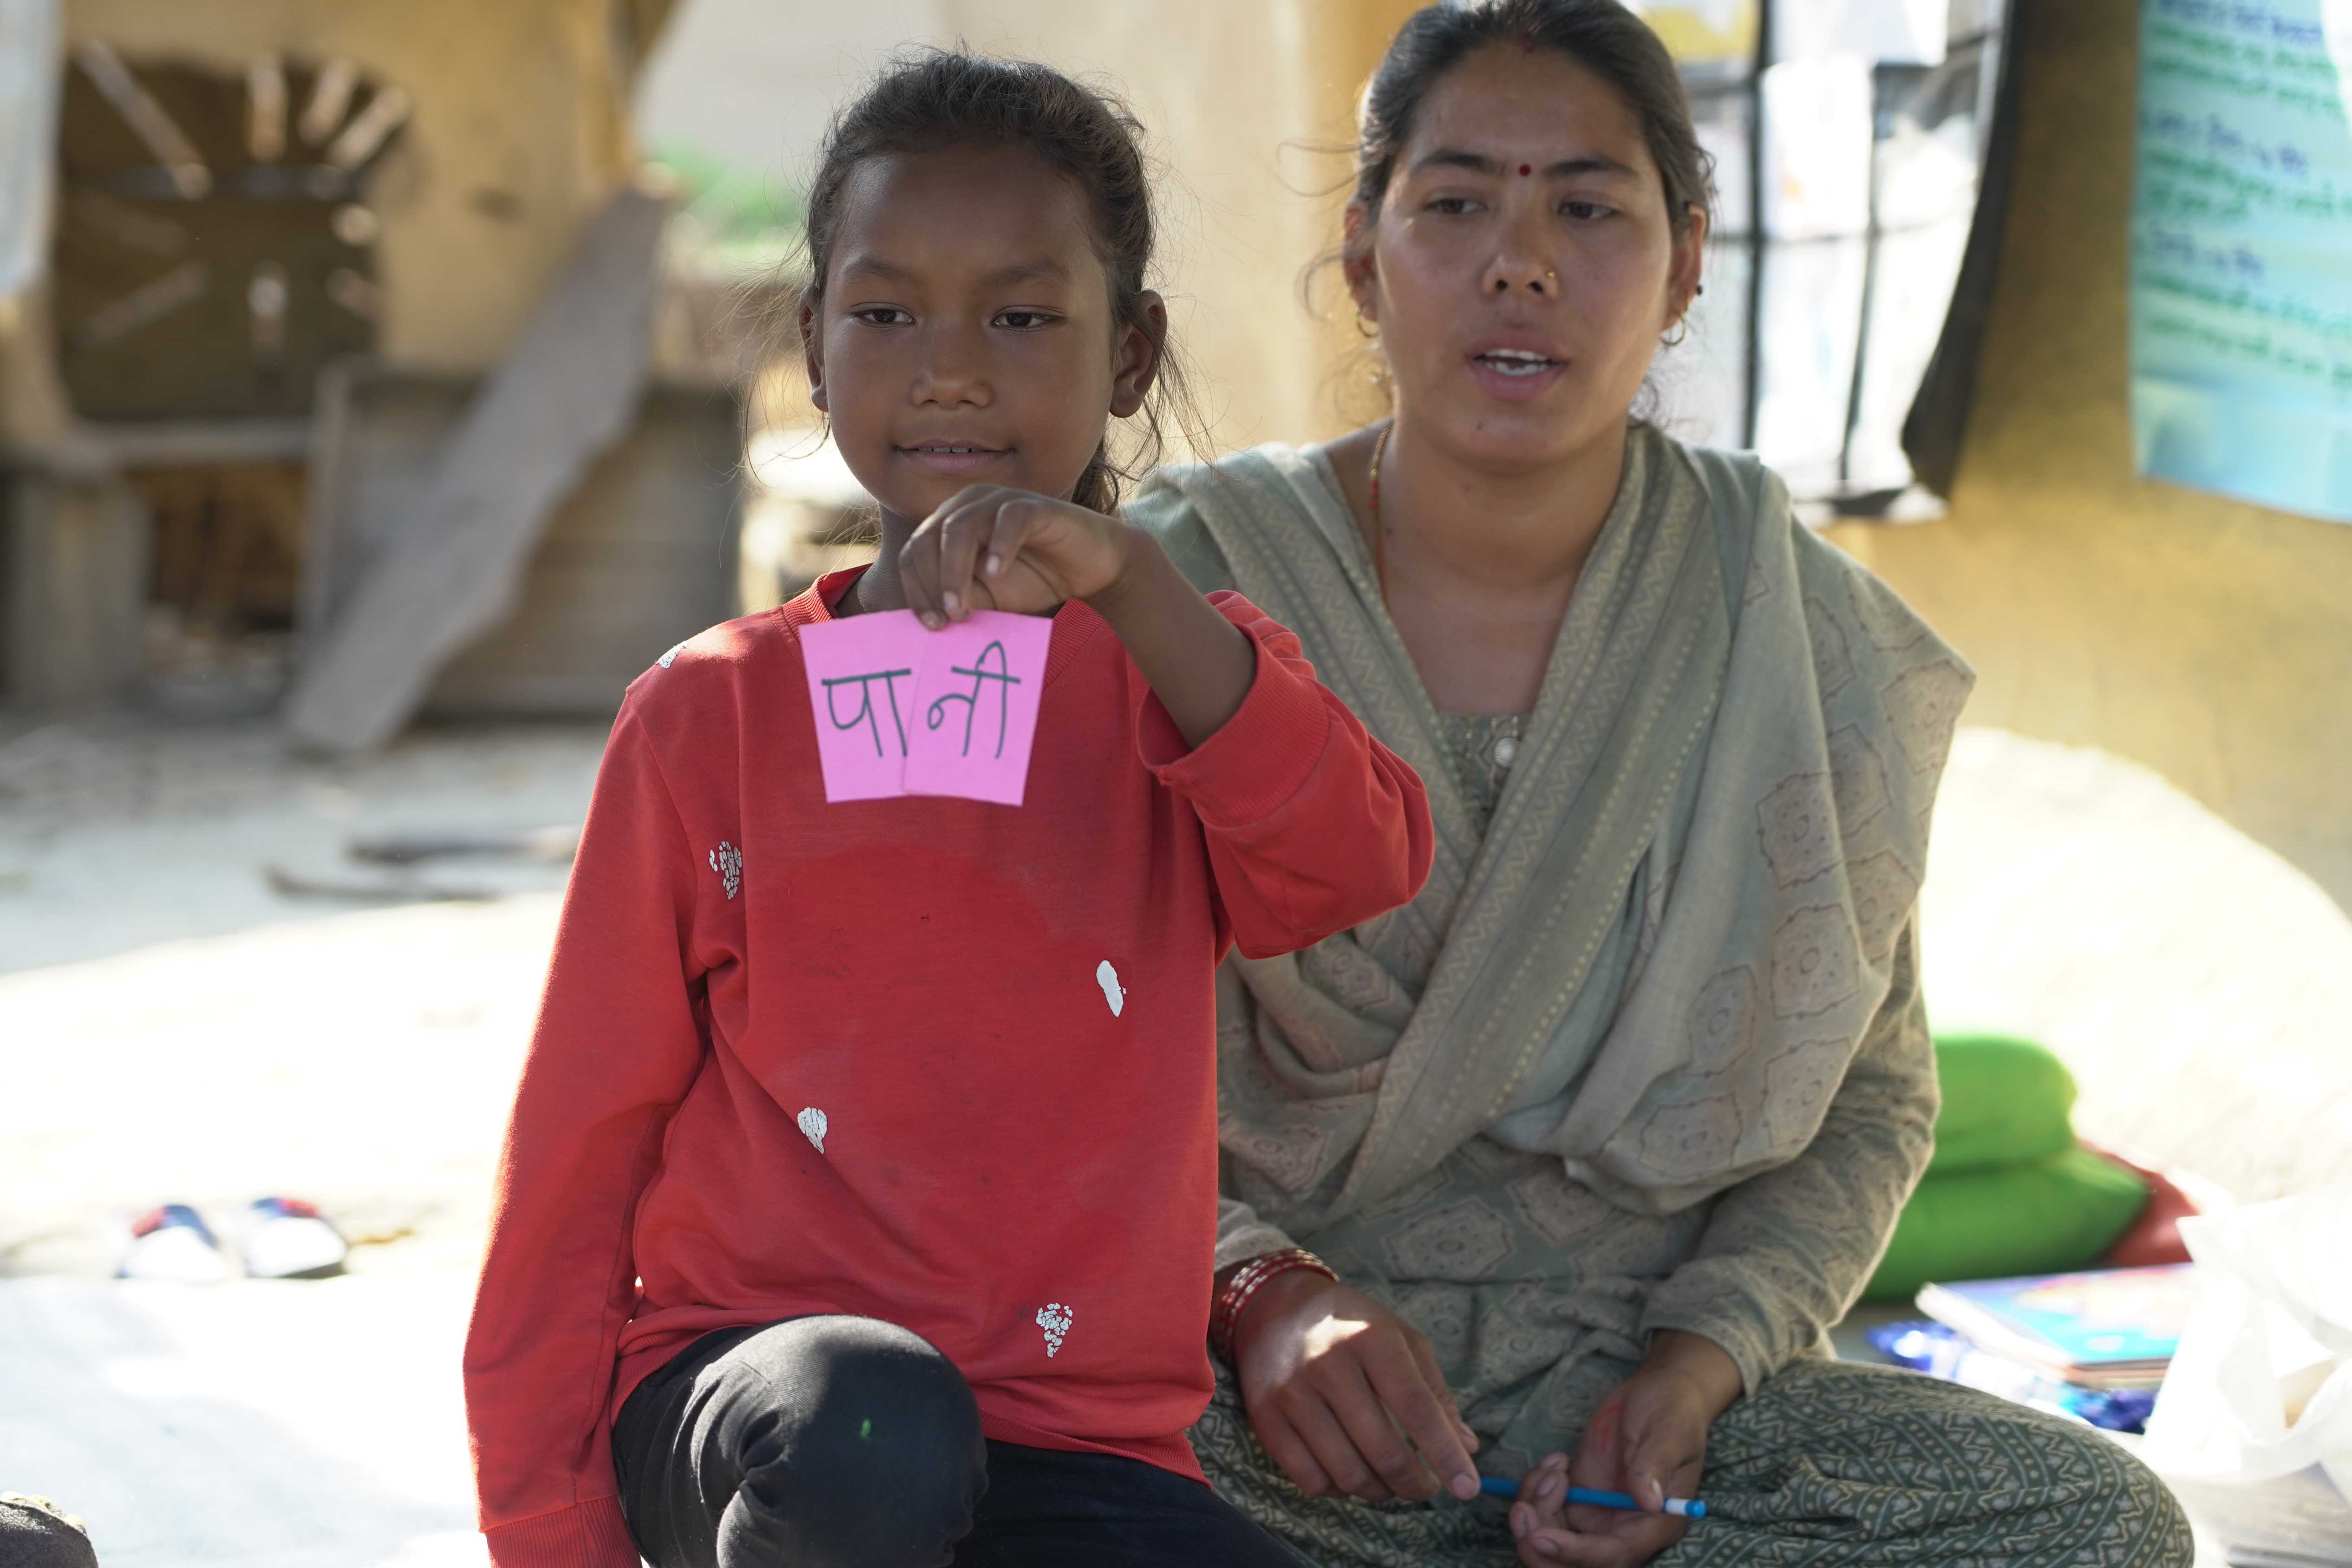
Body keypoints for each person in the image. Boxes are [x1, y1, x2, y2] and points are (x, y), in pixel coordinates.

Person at [1128, 3, 2196, 1565]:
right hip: (1267, 1397)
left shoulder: (1796, 628)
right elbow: (1036, 1043)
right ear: (1365, 256)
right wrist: (1253, 1291)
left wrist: (1695, 1373)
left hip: (1647, 1391)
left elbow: (1871, 1098)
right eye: (1457, 202)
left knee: (2098, 1525)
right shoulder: (1187, 590)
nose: (1521, 261)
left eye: (1587, 205)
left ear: (1688, 260)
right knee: (1006, 1470)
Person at [462, 51, 1434, 1568]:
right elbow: (576, 1161)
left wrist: (1138, 590)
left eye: (1026, 315)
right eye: (887, 311)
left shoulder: (1184, 685)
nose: (951, 367)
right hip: (757, 1403)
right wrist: (548, 1535)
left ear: (1132, 353)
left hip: (1074, 1439)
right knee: (873, 1423)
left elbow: (1356, 861)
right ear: (815, 343)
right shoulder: (708, 718)